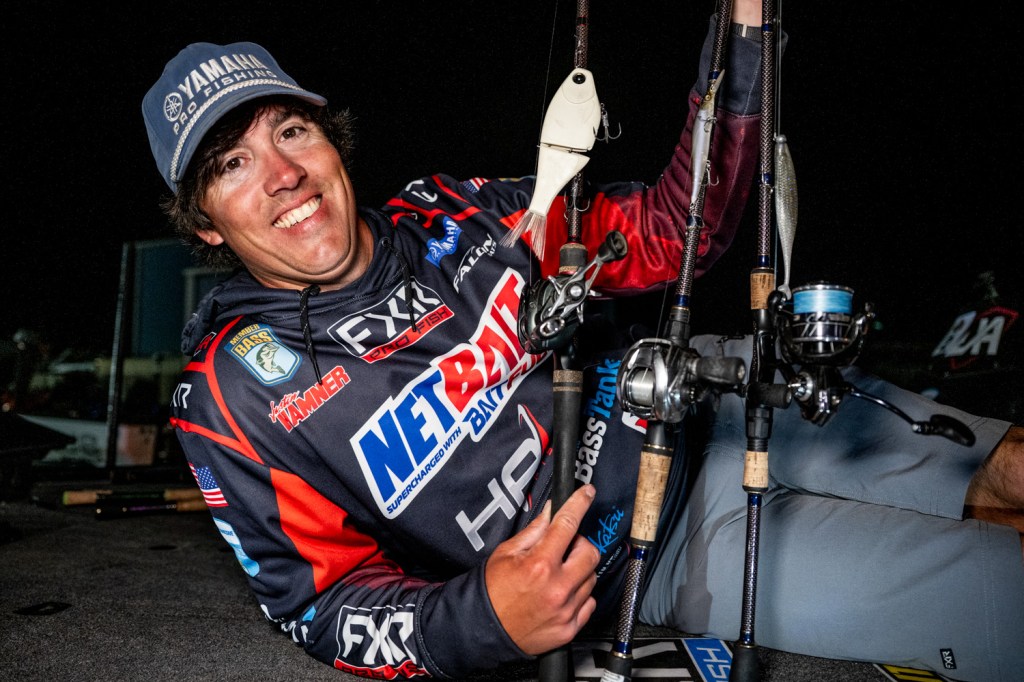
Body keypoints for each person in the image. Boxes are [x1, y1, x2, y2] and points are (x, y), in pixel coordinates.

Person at [142, 2, 1024, 680]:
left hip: (724, 396)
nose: (283, 174)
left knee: (1010, 472)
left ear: (329, 139)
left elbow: (674, 233)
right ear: (205, 224)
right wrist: (482, 619)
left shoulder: (459, 210)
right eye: (232, 164)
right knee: (999, 593)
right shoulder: (230, 395)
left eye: (291, 130)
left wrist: (746, 37)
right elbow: (320, 606)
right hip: (668, 556)